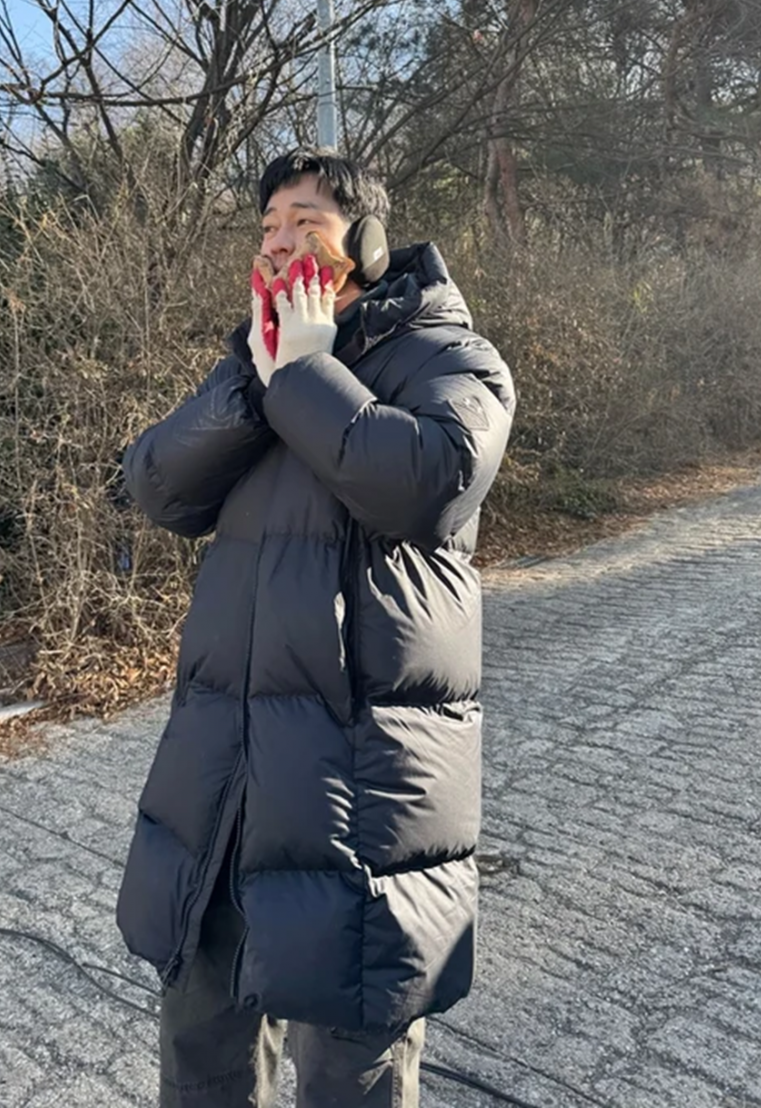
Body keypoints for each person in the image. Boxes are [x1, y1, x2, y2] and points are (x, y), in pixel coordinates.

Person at [117, 149, 516, 1108]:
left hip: (358, 796)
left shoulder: (452, 357)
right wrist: (260, 379)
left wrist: (306, 372)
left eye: (307, 224)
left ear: (370, 243)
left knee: (350, 1068)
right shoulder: (257, 368)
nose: (280, 244)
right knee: (201, 1047)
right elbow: (156, 485)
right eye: (268, 229)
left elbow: (427, 480)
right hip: (227, 786)